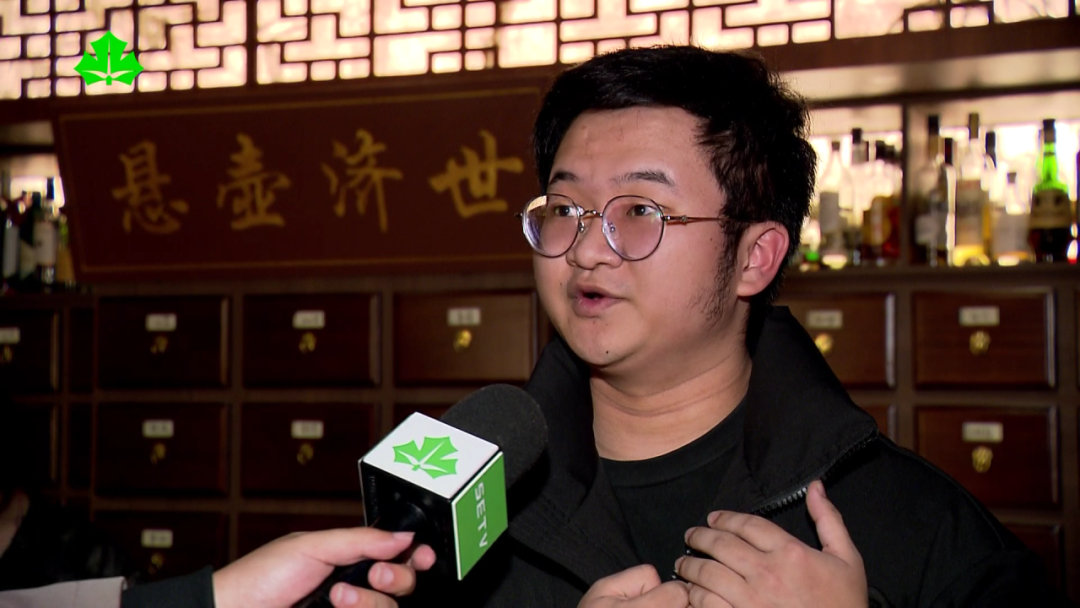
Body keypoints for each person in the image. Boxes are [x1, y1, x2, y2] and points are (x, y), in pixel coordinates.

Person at [410, 45, 1066, 607]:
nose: (586, 249)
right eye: (564, 208)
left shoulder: (911, 523)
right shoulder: (449, 502)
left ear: (755, 257)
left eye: (640, 209)